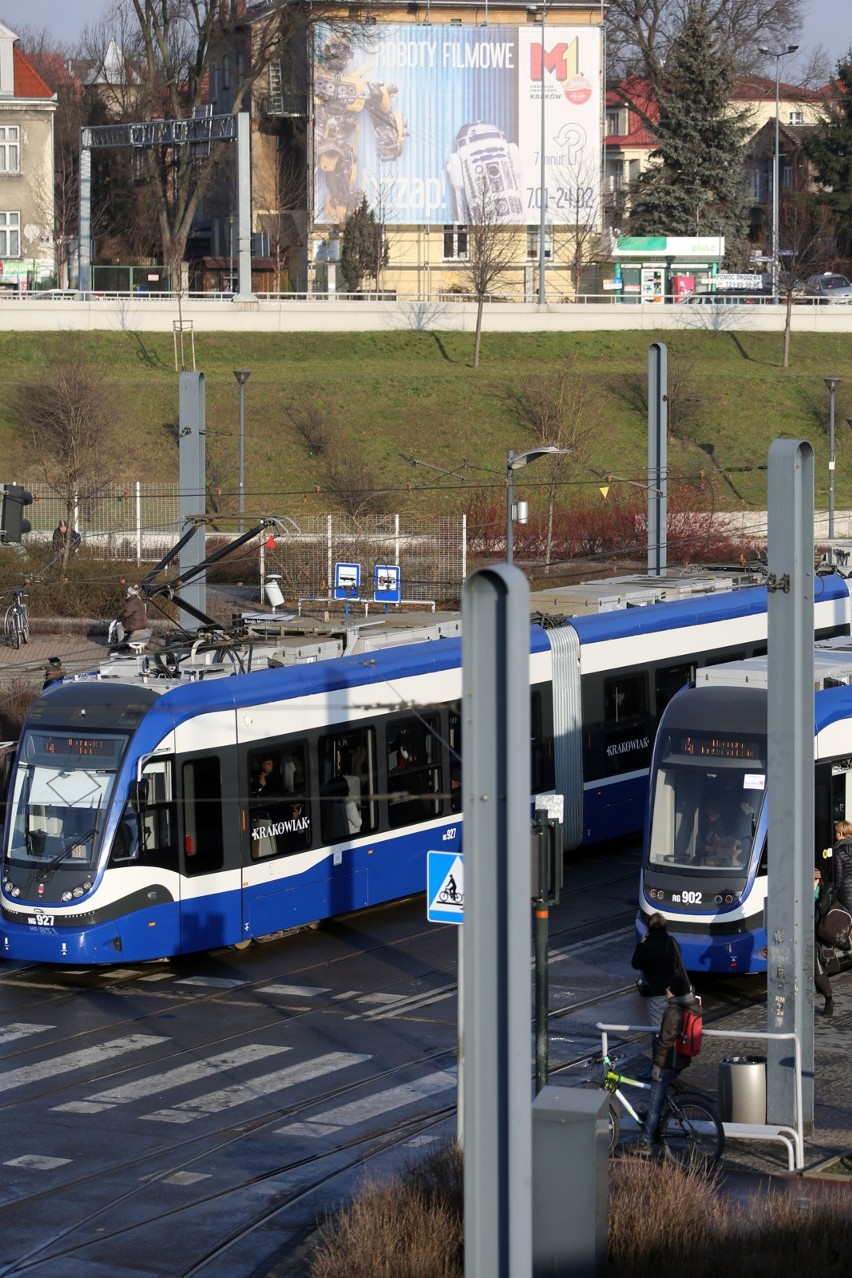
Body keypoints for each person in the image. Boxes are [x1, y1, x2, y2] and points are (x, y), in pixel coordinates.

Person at [635, 973, 700, 1155]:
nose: (666, 990)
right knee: (660, 1097)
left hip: (668, 1062)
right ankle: (655, 1127)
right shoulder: (690, 1005)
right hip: (680, 1060)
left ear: (673, 991)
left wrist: (656, 1066)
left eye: (668, 988)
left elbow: (665, 1042)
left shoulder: (673, 1011)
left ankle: (646, 1142)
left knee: (654, 1101)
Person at [631, 912, 685, 1031]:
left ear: (649, 927)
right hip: (675, 991)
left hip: (658, 991)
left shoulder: (647, 945)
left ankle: (661, 1049)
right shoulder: (672, 942)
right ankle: (673, 1048)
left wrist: (641, 944)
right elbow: (678, 961)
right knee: (673, 1028)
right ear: (665, 927)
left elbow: (635, 963)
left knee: (658, 1030)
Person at [814, 867, 834, 1017]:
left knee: (818, 972)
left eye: (814, 880)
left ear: (818, 880)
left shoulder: (824, 895)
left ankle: (829, 999)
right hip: (800, 936)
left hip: (817, 937)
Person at [830, 819, 852, 913]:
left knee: (845, 922)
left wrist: (833, 892)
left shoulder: (838, 851)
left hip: (845, 893)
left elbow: (838, 877)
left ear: (840, 833)